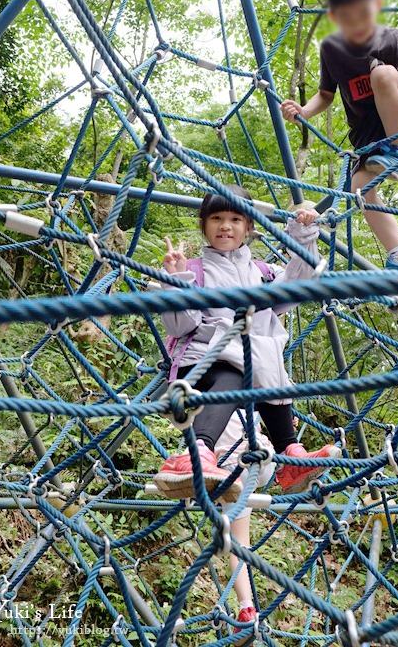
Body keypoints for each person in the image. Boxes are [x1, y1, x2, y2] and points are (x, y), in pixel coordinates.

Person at [153, 185, 340, 502]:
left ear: (249, 227)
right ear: (205, 225)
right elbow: (180, 325)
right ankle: (197, 451)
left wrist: (304, 236)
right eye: (217, 218)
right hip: (201, 369)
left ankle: (290, 454)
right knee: (238, 368)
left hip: (253, 368)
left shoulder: (262, 274)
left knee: (269, 370)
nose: (225, 226)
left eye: (235, 219)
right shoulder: (194, 271)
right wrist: (176, 281)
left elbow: (298, 286)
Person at [281, 0, 398, 270]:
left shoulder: (392, 39)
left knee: (383, 72)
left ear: (375, 6)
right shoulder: (332, 49)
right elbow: (325, 95)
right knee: (359, 188)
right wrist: (303, 112)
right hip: (369, 134)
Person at [215, 409, 279, 641]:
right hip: (262, 460)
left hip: (228, 467)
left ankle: (246, 608)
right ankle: (289, 469)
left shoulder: (209, 389)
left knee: (238, 543)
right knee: (240, 541)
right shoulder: (254, 381)